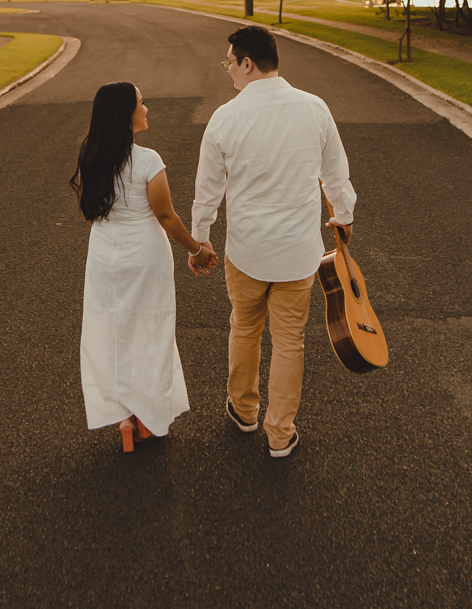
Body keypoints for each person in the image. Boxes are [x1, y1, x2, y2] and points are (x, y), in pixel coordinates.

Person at [190, 26, 355, 458]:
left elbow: (207, 190)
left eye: (230, 63)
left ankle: (244, 412)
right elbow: (335, 173)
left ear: (247, 63)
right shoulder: (315, 108)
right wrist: (343, 215)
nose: (228, 72)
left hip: (245, 251)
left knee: (244, 327)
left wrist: (200, 239)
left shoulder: (226, 117)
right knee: (290, 341)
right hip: (298, 253)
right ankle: (280, 434)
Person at [72, 81, 215, 453]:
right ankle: (146, 418)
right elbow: (165, 215)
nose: (147, 109)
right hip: (146, 257)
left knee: (112, 330)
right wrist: (196, 249)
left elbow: (93, 214)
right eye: (142, 103)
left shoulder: (90, 158)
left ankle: (122, 417)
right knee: (149, 331)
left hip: (104, 255)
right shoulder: (148, 160)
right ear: (126, 114)